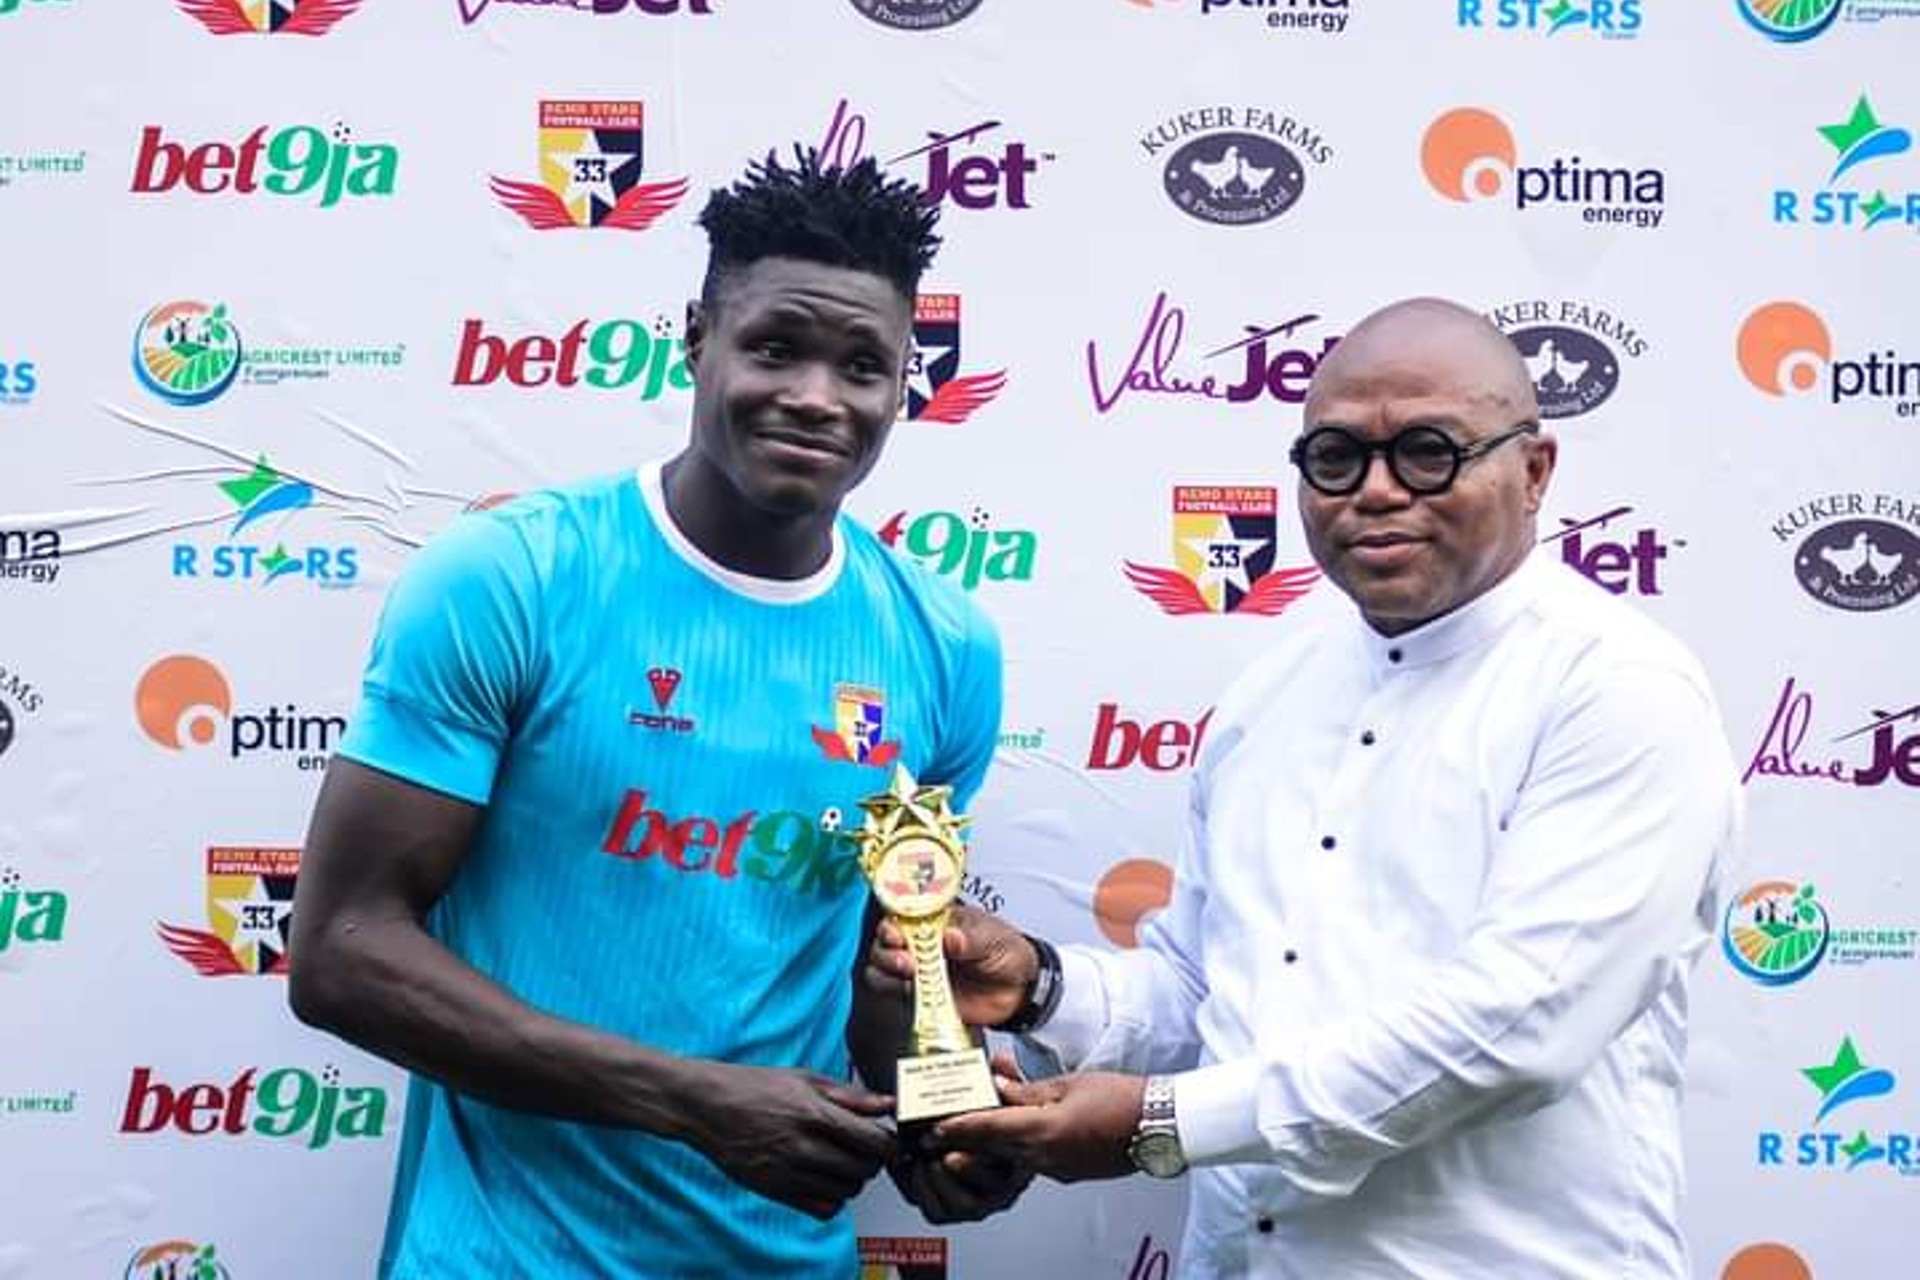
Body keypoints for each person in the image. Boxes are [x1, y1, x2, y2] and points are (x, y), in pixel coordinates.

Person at [870, 297, 1742, 1277]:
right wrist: (1039, 985)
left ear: (1535, 471)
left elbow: (1517, 1028)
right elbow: (1210, 992)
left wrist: (1159, 1123)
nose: (1375, 491)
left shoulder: (1616, 689)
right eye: (1334, 457)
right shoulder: (1266, 699)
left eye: (1427, 451)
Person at [288, 148, 1008, 1278]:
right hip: (499, 1258)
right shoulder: (514, 578)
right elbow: (338, 948)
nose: (818, 397)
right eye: (776, 347)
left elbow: (890, 963)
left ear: (902, 381)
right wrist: (695, 1102)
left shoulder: (946, 646)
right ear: (695, 339)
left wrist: (945, 1119)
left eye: (863, 365)